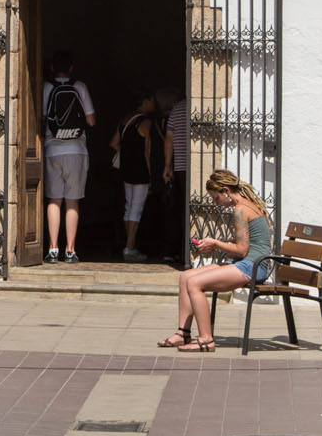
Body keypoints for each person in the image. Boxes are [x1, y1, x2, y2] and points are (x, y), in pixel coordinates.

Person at [158, 169, 270, 353]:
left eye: (216, 198)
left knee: (194, 283)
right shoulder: (245, 206)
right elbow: (244, 247)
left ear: (226, 191)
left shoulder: (240, 210)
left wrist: (216, 243)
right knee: (185, 277)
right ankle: (182, 333)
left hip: (252, 266)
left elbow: (242, 250)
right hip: (247, 263)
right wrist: (217, 245)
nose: (216, 203)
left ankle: (206, 340)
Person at [40, 51, 96, 263]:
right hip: (76, 150)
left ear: (52, 67)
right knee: (72, 201)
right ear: (71, 68)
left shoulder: (46, 88)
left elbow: (42, 117)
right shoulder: (79, 87)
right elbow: (91, 121)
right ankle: (70, 250)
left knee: (54, 200)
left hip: (53, 149)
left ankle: (53, 249)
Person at [110, 92, 162, 263]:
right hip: (140, 170)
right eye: (151, 100)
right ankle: (130, 248)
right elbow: (148, 150)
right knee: (136, 208)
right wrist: (151, 173)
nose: (154, 104)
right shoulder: (145, 122)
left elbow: (114, 143)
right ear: (144, 102)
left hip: (126, 169)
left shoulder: (125, 119)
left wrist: (127, 153)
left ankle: (129, 245)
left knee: (129, 206)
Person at [160, 88, 189, 259]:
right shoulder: (198, 106)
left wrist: (167, 165)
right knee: (190, 208)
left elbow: (169, 138)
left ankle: (172, 251)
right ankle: (187, 252)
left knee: (177, 209)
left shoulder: (177, 109)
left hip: (180, 166)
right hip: (194, 167)